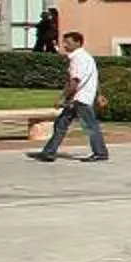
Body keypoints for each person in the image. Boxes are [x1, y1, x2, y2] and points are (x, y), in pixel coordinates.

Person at [29, 32, 107, 163]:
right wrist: (99, 94)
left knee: (90, 126)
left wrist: (63, 98)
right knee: (61, 124)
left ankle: (100, 153)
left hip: (79, 99)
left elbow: (74, 82)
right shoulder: (87, 57)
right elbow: (94, 77)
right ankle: (49, 152)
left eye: (68, 42)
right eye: (64, 42)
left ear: (78, 43)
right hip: (80, 98)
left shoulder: (78, 59)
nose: (64, 45)